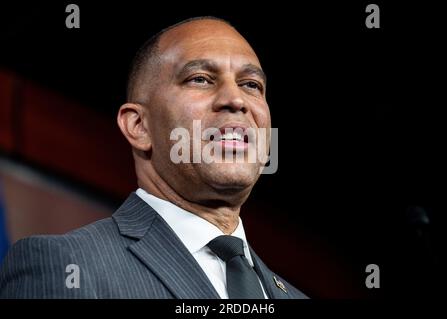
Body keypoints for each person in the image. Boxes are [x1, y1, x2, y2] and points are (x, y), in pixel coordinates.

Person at [0, 16, 308, 299]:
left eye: (251, 85)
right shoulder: (65, 265)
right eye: (200, 78)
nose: (236, 99)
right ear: (139, 126)